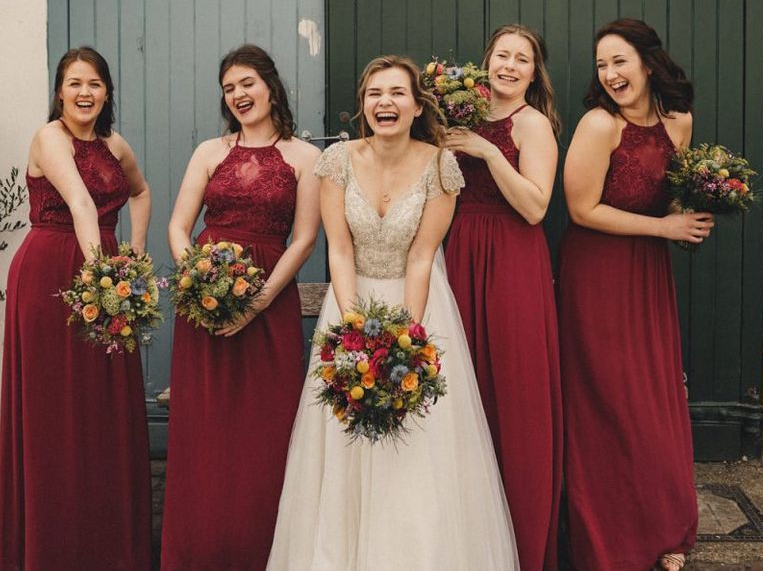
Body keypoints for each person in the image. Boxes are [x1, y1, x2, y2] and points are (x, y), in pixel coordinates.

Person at [267, 55, 519, 570]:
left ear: (415, 104)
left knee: (417, 445)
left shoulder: (439, 165)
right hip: (350, 304)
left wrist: (406, 338)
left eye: (397, 93)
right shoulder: (337, 161)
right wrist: (354, 329)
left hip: (417, 306)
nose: (386, 102)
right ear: (363, 105)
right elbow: (337, 249)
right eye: (375, 94)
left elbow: (423, 256)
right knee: (341, 442)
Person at [558, 18, 713, 571]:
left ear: (648, 63)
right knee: (608, 399)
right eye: (602, 64)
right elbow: (581, 210)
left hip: (648, 274)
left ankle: (662, 523)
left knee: (653, 396)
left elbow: (666, 200)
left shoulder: (679, 122)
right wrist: (664, 229)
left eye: (619, 61)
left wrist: (688, 215)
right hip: (596, 273)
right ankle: (608, 537)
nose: (610, 73)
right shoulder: (598, 125)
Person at [161, 44, 320, 570]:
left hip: (268, 306)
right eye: (229, 88)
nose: (239, 94)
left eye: (247, 83)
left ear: (271, 87)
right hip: (204, 303)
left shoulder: (305, 157)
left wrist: (255, 303)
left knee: (263, 431)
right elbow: (178, 228)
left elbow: (303, 240)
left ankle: (263, 551)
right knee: (205, 429)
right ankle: (200, 550)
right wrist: (199, 280)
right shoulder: (210, 151)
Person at [0, 47, 152, 570]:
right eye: (73, 83)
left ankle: (106, 543)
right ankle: (53, 545)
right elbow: (83, 205)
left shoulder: (114, 144)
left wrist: (132, 252)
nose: (84, 92)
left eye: (94, 83)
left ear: (107, 91)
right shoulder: (49, 138)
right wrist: (106, 284)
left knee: (102, 403)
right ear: (59, 91)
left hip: (103, 266)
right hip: (51, 274)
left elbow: (142, 191)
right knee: (55, 406)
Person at [445, 24, 562, 570]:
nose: (509, 66)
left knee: (515, 389)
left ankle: (520, 536)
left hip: (514, 258)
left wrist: (489, 153)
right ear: (485, 60)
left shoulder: (533, 125)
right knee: (460, 387)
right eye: (502, 55)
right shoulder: (458, 113)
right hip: (461, 252)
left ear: (533, 73)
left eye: (522, 59)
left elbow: (536, 207)